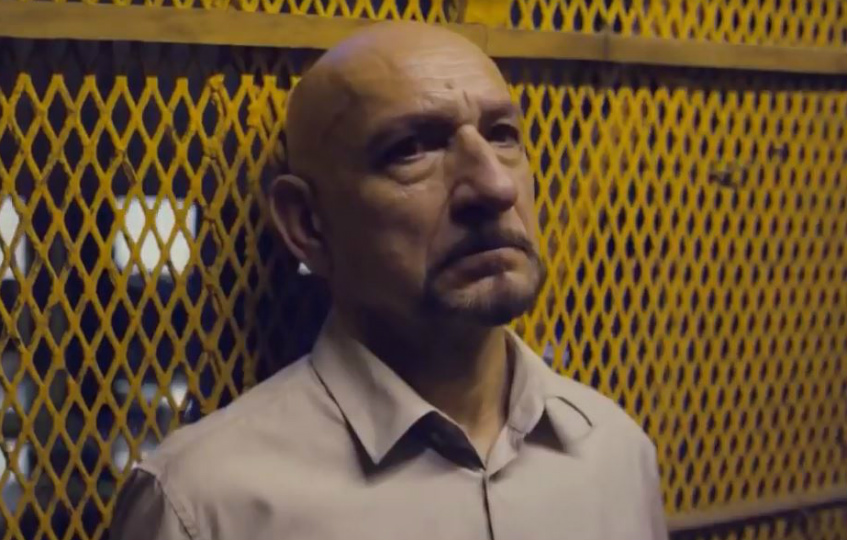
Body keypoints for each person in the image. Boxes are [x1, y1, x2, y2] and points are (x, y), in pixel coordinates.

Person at [108, 21, 667, 540]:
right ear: (308, 224)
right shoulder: (206, 506)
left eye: (502, 135)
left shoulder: (615, 455)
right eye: (410, 149)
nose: (495, 187)